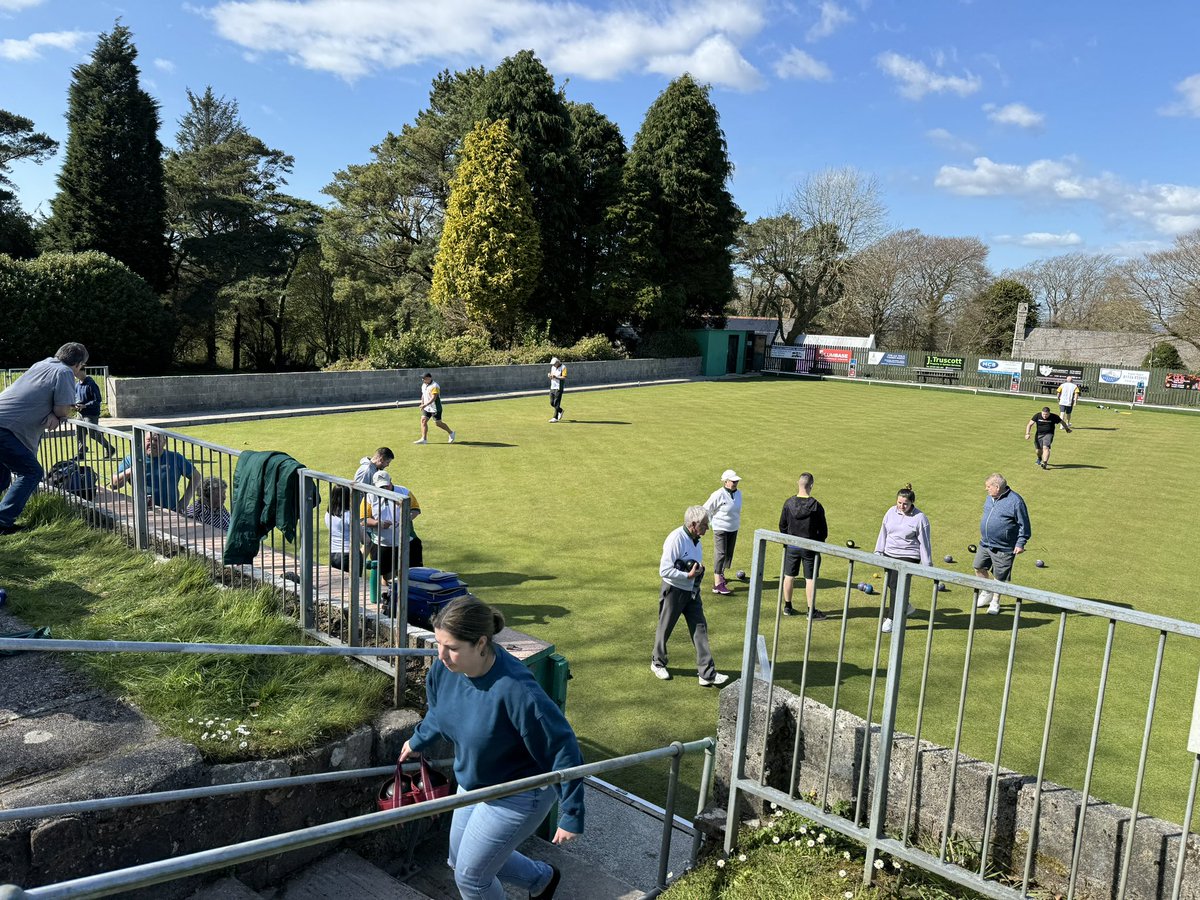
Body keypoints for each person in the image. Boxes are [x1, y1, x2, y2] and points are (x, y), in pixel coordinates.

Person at [401, 596, 583, 900]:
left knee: (472, 879)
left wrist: (572, 812)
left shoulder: (518, 692)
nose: (442, 656)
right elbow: (440, 712)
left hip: (520, 792)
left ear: (481, 643)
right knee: (458, 862)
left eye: (453, 648)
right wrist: (417, 740)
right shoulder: (444, 672)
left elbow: (563, 747)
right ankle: (542, 879)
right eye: (439, 644)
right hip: (476, 782)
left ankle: (540, 878)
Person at [0, 342, 87, 535]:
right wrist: (57, 414)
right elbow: (62, 409)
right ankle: (2, 521)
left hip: (4, 423)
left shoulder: (42, 364)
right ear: (78, 364)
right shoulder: (65, 372)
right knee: (31, 473)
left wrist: (54, 412)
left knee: (2, 477)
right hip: (6, 429)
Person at [651, 506, 729, 687]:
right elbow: (664, 570)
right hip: (674, 591)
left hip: (692, 591)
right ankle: (657, 663)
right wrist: (687, 576)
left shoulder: (696, 540)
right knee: (665, 627)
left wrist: (697, 573)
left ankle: (706, 673)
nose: (707, 528)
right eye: (704, 525)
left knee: (700, 628)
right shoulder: (676, 539)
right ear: (694, 525)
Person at [873, 484, 932, 633]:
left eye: (905, 503)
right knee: (891, 585)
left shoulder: (920, 518)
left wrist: (927, 565)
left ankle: (891, 619)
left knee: (894, 585)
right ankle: (905, 605)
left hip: (908, 556)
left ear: (912, 502)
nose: (901, 506)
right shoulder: (890, 512)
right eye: (899, 502)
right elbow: (884, 532)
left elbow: (925, 543)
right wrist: (878, 551)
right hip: (889, 553)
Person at [974, 473, 1031, 616]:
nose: (986, 489)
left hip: (1004, 546)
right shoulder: (990, 498)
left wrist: (1020, 543)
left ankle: (995, 602)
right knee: (978, 566)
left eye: (988, 487)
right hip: (985, 543)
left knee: (1000, 577)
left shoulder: (1016, 502)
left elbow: (1024, 524)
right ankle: (986, 591)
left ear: (997, 487)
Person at [778, 473, 829, 619]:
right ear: (811, 485)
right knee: (810, 579)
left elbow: (782, 525)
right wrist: (818, 542)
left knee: (789, 576)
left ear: (798, 483)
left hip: (792, 546)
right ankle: (810, 611)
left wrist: (788, 540)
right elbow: (823, 530)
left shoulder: (789, 503)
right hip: (810, 547)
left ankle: (787, 607)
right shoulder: (816, 506)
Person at [111, 432, 196, 512]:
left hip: (171, 511)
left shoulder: (175, 458)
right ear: (143, 441)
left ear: (164, 442)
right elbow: (114, 483)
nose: (152, 443)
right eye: (148, 440)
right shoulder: (132, 459)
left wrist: (185, 500)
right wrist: (131, 471)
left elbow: (196, 476)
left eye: (156, 440)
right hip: (143, 511)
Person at [704, 469, 743, 596]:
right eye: (733, 481)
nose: (735, 483)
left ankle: (721, 574)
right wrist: (709, 523)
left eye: (736, 481)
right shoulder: (718, 494)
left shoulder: (739, 494)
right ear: (726, 482)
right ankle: (717, 584)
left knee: (728, 555)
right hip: (720, 528)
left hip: (733, 528)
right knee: (720, 553)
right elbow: (706, 509)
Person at [73, 369, 116, 460]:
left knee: (93, 434)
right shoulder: (77, 385)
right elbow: (76, 397)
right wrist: (75, 405)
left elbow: (97, 400)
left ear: (83, 371)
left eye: (76, 372)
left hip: (91, 414)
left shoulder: (91, 384)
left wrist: (85, 406)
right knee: (79, 433)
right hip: (80, 413)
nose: (75, 374)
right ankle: (81, 453)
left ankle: (110, 448)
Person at [416, 373, 455, 444]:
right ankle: (424, 439)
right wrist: (422, 403)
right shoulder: (424, 385)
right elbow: (423, 395)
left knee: (438, 423)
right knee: (423, 420)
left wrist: (425, 404)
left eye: (424, 378)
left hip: (435, 408)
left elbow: (434, 398)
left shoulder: (435, 386)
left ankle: (451, 433)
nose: (422, 379)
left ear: (429, 378)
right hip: (427, 407)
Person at [325, 483, 353, 571]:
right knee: (354, 583)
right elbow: (363, 537)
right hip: (348, 555)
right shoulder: (349, 515)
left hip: (333, 554)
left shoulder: (328, 514)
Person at [547, 357, 567, 423]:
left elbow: (564, 377)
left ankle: (555, 417)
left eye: (554, 364)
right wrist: (550, 376)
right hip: (552, 386)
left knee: (556, 402)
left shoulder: (563, 367)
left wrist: (556, 377)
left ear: (557, 362)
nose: (553, 365)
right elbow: (552, 376)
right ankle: (560, 410)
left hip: (559, 387)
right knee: (552, 402)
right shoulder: (553, 367)